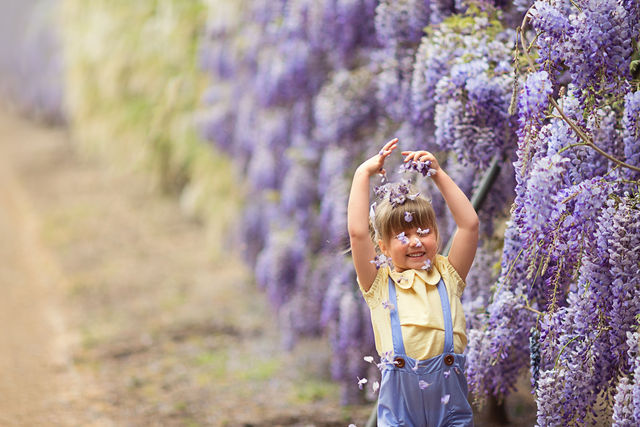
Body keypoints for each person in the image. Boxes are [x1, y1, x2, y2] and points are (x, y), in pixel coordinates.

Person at [347, 137, 479, 426]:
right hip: (400, 411)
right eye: (402, 236)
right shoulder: (379, 283)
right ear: (382, 246)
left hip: (450, 409)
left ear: (436, 234)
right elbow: (357, 233)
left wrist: (439, 175)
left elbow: (469, 224)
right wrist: (362, 174)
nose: (416, 241)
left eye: (424, 230)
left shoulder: (448, 274)